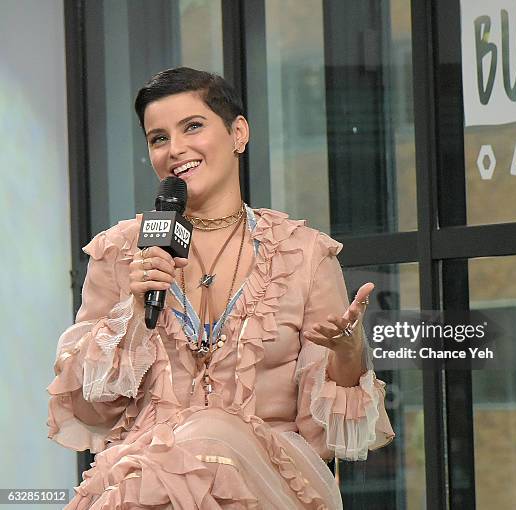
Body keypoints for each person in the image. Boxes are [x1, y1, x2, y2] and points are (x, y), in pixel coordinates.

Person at [47, 67, 395, 509]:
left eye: (192, 127)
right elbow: (88, 408)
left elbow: (322, 434)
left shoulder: (303, 254)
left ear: (238, 134)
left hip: (265, 482)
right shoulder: (121, 253)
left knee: (211, 435)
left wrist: (347, 354)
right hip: (148, 489)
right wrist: (133, 315)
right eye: (158, 139)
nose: (176, 150)